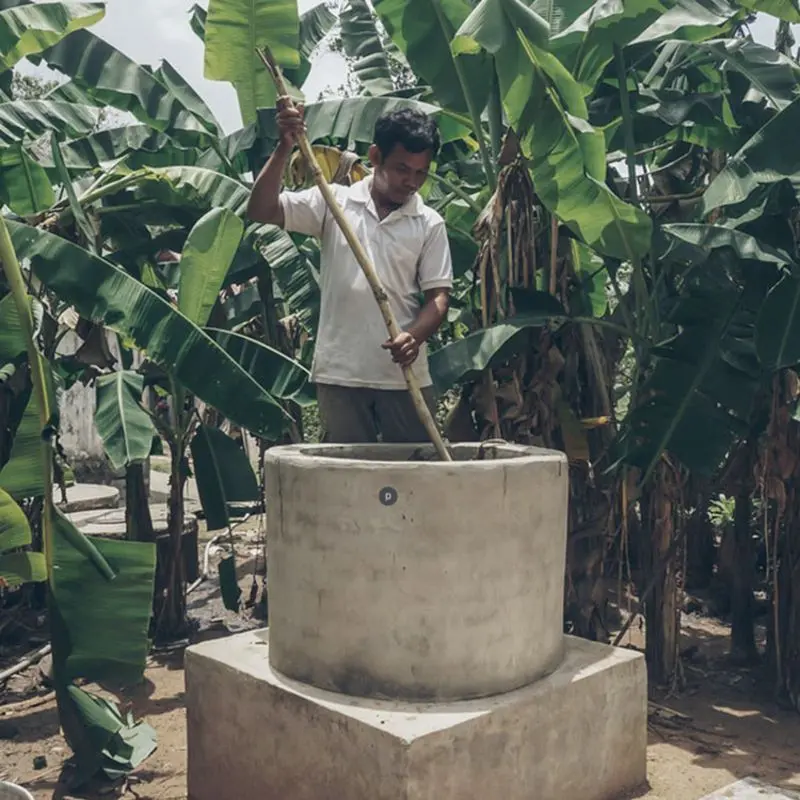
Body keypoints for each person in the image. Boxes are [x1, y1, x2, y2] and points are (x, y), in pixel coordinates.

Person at [247, 100, 453, 444]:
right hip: (340, 374)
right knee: (348, 482)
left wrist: (413, 337)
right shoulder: (333, 202)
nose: (411, 182)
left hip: (403, 377)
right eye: (403, 169)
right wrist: (285, 146)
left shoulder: (429, 223)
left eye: (421, 173)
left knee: (417, 478)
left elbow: (438, 300)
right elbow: (261, 209)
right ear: (375, 157)